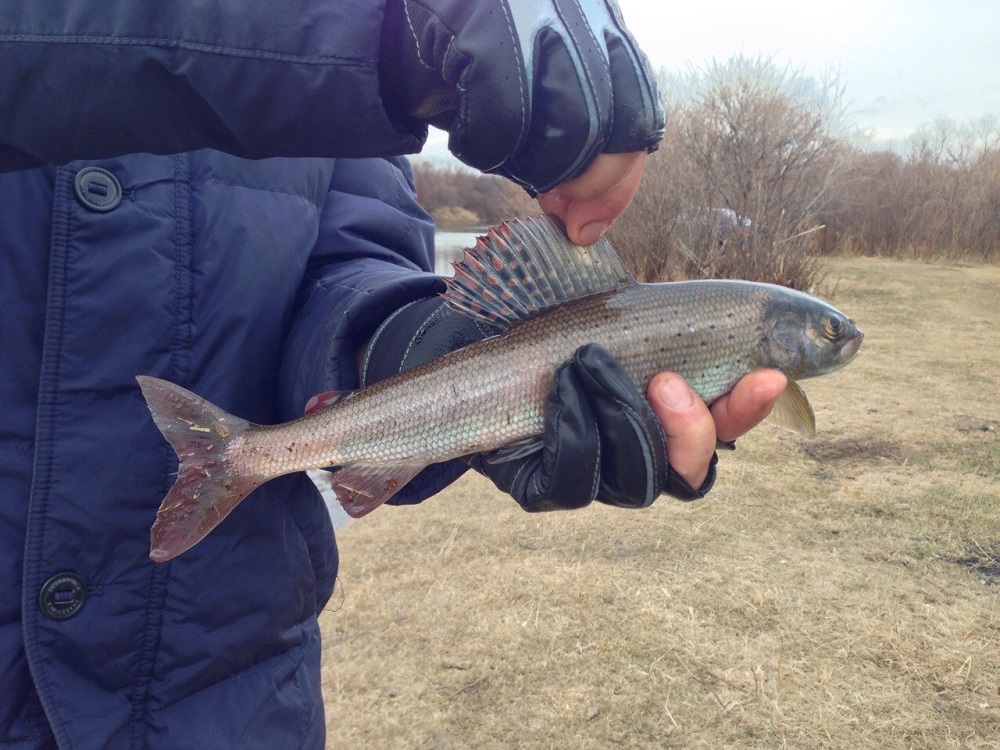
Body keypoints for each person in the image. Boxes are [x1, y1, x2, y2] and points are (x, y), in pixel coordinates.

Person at [0, 1, 786, 748]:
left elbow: (351, 256)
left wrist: (396, 344)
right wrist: (368, 31)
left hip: (229, 697)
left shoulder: (346, 129)